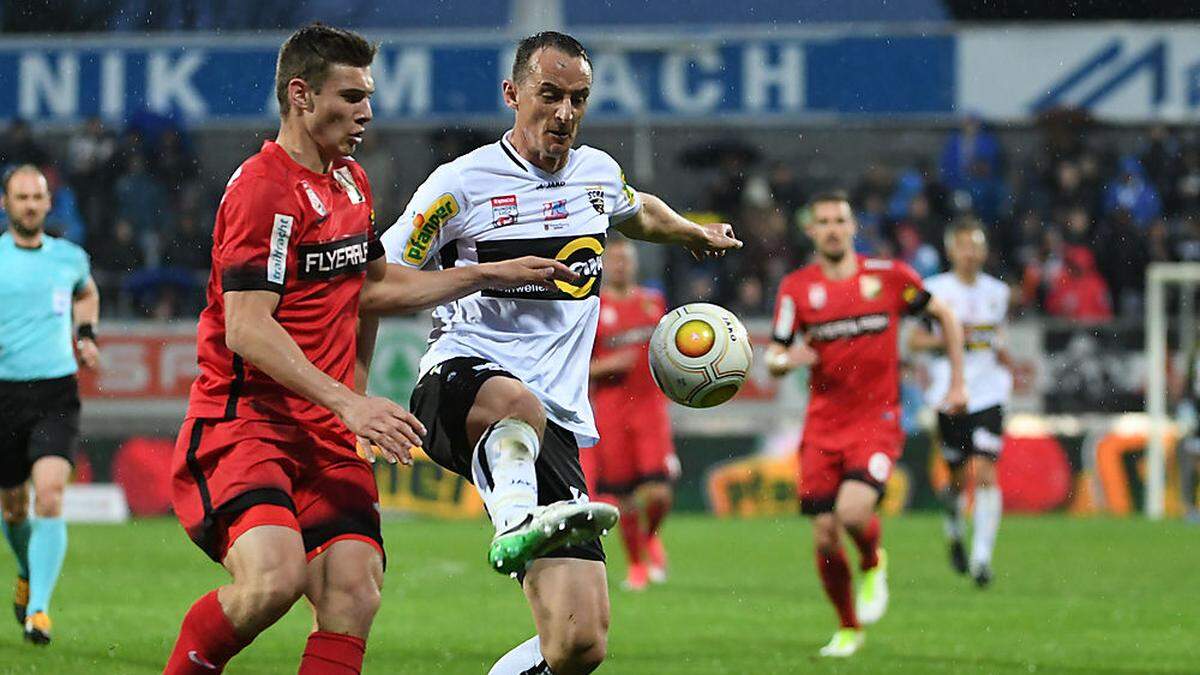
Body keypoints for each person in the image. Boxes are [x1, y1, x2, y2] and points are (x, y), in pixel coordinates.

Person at [162, 24, 578, 675]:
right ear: (301, 95)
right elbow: (246, 326)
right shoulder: (263, 190)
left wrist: (481, 273)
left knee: (354, 591)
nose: (367, 113)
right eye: (351, 96)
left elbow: (374, 287)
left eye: (369, 96)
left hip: (324, 433)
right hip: (246, 426)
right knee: (273, 580)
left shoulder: (351, 182)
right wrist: (350, 401)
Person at [379, 31, 740, 675]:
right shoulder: (460, 185)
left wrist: (691, 232)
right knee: (513, 400)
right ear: (513, 94)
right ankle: (515, 522)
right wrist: (484, 274)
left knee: (578, 644)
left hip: (556, 423)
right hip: (462, 383)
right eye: (550, 95)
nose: (565, 113)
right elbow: (380, 281)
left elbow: (638, 212)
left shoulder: (595, 174)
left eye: (578, 98)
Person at [766, 191, 966, 658]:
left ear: (854, 228)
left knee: (853, 513)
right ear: (811, 231)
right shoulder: (797, 288)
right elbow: (775, 353)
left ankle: (874, 561)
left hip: (876, 420)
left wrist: (957, 383)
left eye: (840, 220)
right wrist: (786, 359)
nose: (833, 228)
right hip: (821, 426)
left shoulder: (889, 277)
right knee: (823, 533)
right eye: (824, 222)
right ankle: (847, 627)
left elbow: (945, 316)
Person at [0, 164, 100, 645]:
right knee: (15, 508)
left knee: (51, 496)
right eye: (21, 198)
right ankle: (27, 572)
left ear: (48, 203)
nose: (30, 205)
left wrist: (85, 334)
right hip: (4, 394)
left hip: (56, 391)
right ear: (6, 204)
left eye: (37, 197)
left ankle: (38, 610)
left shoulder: (69, 258)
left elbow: (86, 293)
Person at [908, 218, 1012, 586]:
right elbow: (915, 341)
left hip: (988, 394)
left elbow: (998, 339)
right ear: (952, 250)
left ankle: (982, 558)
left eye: (976, 245)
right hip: (949, 394)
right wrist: (952, 338)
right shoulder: (934, 290)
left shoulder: (998, 293)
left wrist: (1003, 357)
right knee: (955, 479)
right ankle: (954, 528)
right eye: (964, 246)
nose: (970, 253)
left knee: (984, 471)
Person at [585, 236, 676, 591]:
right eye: (616, 260)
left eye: (627, 259)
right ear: (605, 265)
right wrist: (608, 364)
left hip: (651, 410)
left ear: (635, 263)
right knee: (622, 496)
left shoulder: (654, 303)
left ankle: (650, 536)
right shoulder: (593, 310)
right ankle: (637, 564)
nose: (622, 265)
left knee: (659, 494)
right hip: (611, 412)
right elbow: (578, 367)